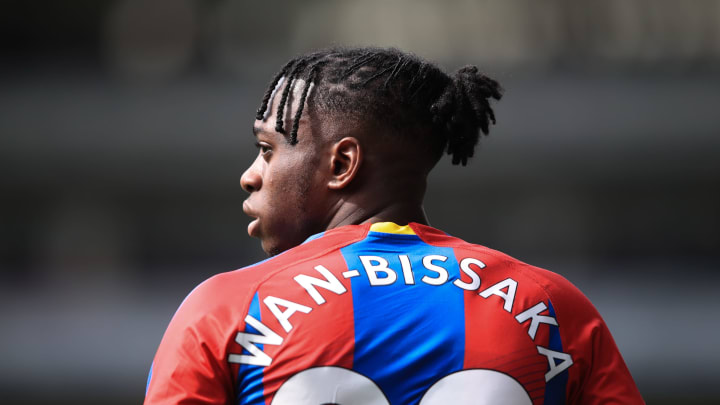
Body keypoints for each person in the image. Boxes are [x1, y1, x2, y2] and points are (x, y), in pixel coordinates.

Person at [144, 47, 644, 405]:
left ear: (342, 164)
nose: (250, 175)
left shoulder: (226, 308)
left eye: (268, 150)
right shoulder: (555, 307)